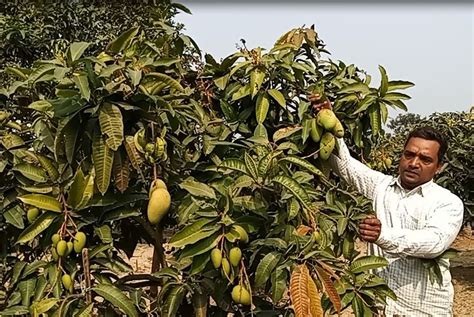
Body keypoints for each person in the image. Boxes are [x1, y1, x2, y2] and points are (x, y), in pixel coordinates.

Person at [323, 110, 464, 315]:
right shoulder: (381, 186)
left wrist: (383, 235)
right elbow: (347, 167)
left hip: (422, 312)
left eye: (425, 159)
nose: (414, 163)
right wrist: (327, 120)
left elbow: (434, 242)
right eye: (409, 155)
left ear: (439, 167)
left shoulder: (447, 202)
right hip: (378, 307)